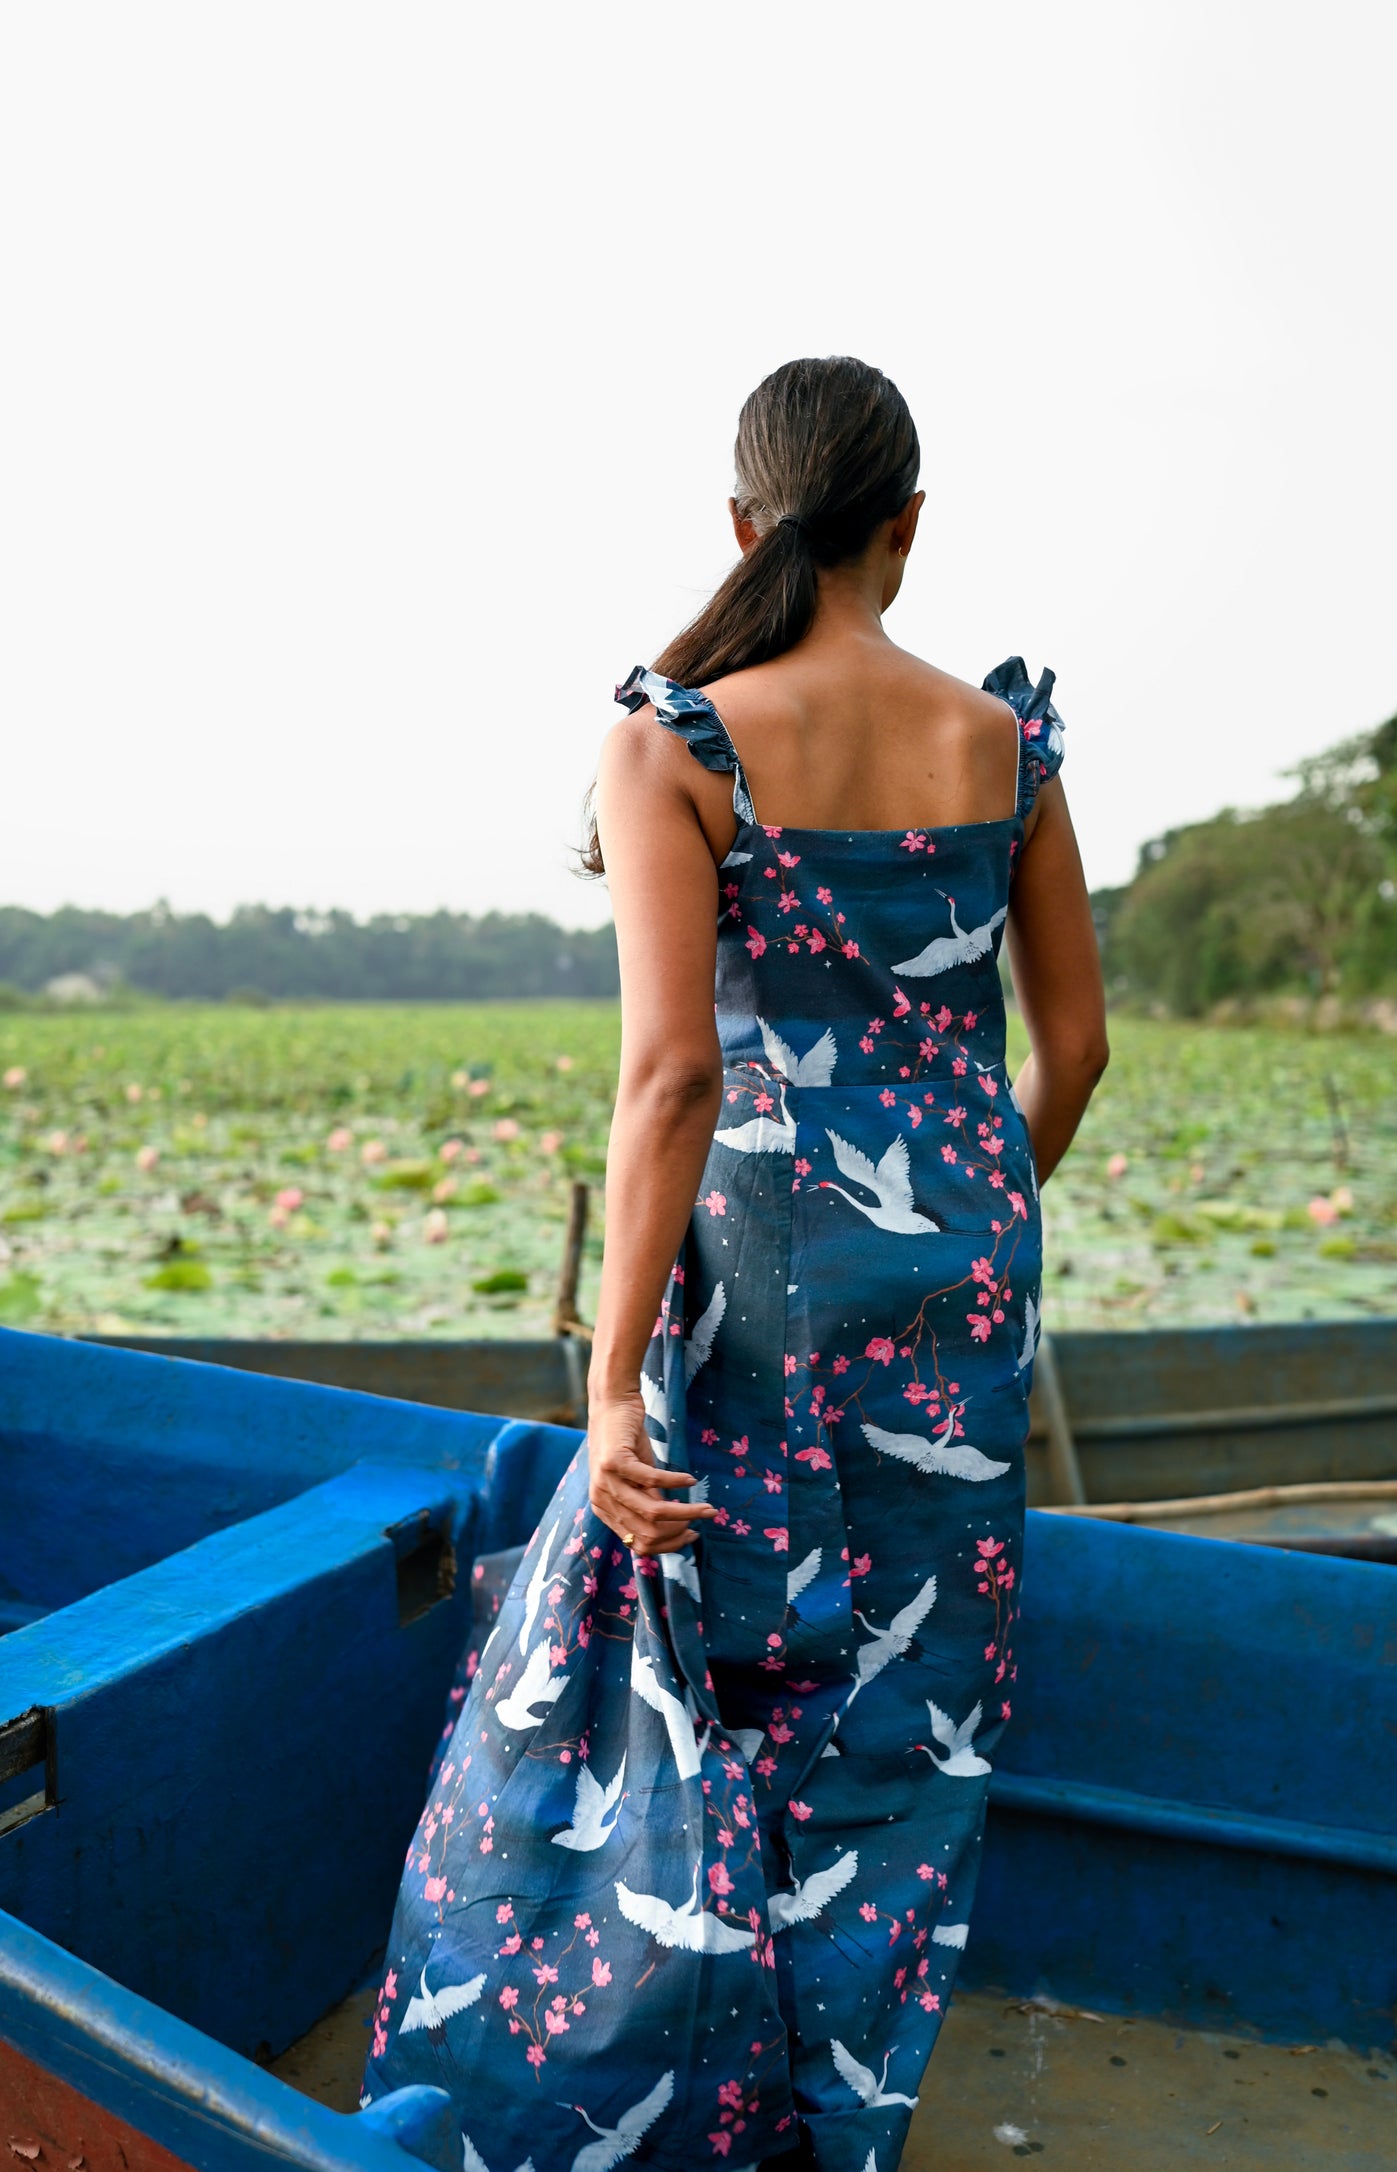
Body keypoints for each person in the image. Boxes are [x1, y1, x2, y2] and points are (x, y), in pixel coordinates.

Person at [363, 357, 1108, 2171]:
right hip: (958, 1300)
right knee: (900, 1738)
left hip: (758, 1297)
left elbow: (675, 1077)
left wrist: (611, 1382)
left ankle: (656, 2104)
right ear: (907, 528)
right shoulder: (1001, 747)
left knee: (701, 1689)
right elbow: (1072, 1051)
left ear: (739, 523)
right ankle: (833, 2131)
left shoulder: (675, 741)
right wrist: (969, 1228)